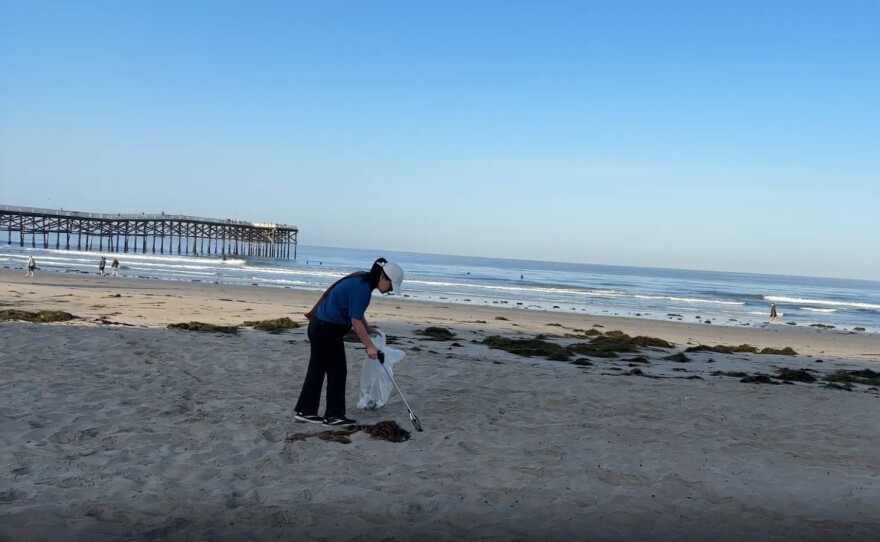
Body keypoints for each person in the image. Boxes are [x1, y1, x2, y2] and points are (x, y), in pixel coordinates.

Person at [294, 258, 405, 426]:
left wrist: (368, 330)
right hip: (326, 330)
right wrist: (370, 347)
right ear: (383, 277)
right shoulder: (363, 290)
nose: (390, 290)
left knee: (317, 369)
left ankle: (306, 411)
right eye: (390, 286)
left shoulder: (362, 279)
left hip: (318, 326)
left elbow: (356, 312)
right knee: (338, 371)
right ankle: (334, 416)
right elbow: (355, 322)